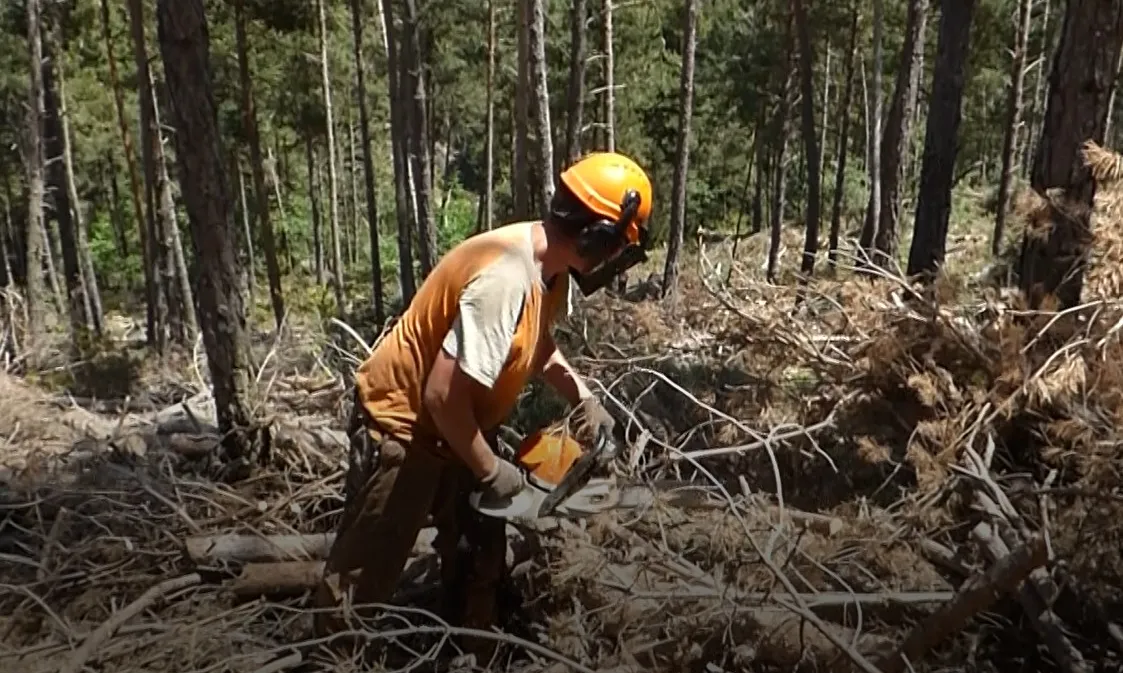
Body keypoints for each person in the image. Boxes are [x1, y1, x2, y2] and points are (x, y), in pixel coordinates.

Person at [313, 151, 654, 661]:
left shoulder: (548, 270)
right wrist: (491, 469)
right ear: (598, 236)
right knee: (362, 580)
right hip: (405, 429)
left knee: (480, 555)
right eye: (616, 248)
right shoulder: (506, 277)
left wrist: (584, 398)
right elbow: (441, 395)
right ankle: (331, 659)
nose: (613, 261)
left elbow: (537, 346)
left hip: (460, 425)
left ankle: (471, 650)